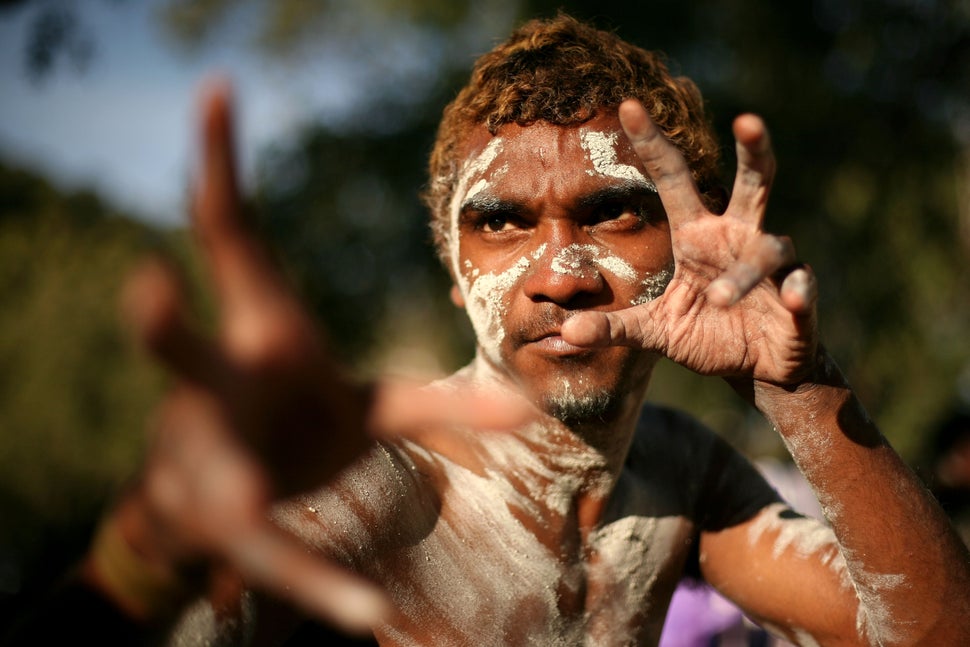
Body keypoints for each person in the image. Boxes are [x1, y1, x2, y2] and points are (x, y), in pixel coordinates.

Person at [5, 14, 970, 647]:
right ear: (453, 268)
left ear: (691, 239)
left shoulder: (682, 475)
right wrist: (144, 557)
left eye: (613, 211)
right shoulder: (384, 486)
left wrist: (796, 387)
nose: (562, 273)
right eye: (503, 222)